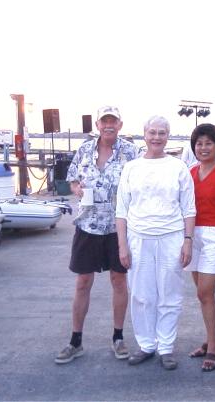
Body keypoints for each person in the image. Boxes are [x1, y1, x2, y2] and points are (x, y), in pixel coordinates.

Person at [55, 106, 138, 365]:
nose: (109, 126)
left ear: (120, 125)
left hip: (118, 228)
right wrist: (78, 188)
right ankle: (75, 341)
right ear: (98, 124)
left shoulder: (132, 152)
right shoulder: (84, 150)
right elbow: (72, 180)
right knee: (82, 282)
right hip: (88, 225)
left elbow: (142, 183)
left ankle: (118, 337)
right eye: (105, 121)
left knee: (119, 281)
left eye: (113, 121)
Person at [115, 115, 196, 371]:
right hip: (138, 238)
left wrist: (187, 241)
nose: (157, 137)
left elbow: (189, 209)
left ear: (168, 135)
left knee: (169, 294)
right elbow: (121, 211)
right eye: (152, 132)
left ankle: (166, 347)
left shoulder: (178, 168)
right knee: (141, 295)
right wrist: (122, 245)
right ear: (144, 134)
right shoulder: (131, 168)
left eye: (162, 133)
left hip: (171, 236)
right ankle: (146, 344)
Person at [185, 124, 215, 372]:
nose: (203, 148)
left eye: (208, 143)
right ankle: (212, 339)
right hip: (194, 236)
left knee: (205, 293)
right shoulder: (190, 172)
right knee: (202, 295)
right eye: (199, 143)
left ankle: (213, 347)